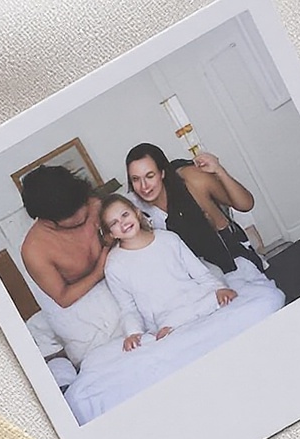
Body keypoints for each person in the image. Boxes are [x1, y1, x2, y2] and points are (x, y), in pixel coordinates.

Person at [98, 193, 238, 346]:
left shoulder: (168, 239)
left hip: (199, 300)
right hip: (166, 319)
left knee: (231, 305)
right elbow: (128, 307)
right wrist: (133, 333)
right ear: (111, 233)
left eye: (125, 214)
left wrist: (219, 289)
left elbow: (200, 273)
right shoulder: (114, 266)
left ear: (136, 212)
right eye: (114, 223)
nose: (123, 223)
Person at [126, 142, 270, 283]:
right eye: (136, 179)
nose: (144, 186)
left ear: (162, 173)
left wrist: (219, 170)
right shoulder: (132, 209)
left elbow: (246, 204)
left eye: (150, 176)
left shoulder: (191, 179)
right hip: (195, 277)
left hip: (234, 261)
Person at [16, 166, 112, 312]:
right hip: (80, 304)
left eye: (84, 207)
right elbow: (63, 298)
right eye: (73, 220)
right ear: (47, 221)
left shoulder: (96, 202)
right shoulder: (34, 250)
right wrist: (98, 272)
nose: (82, 217)